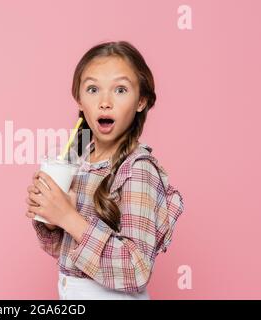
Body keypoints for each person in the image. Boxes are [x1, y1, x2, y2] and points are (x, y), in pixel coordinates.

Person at [25, 41, 185, 300]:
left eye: (120, 90)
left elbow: (137, 271)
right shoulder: (78, 158)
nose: (105, 102)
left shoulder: (138, 170)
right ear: (78, 98)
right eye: (92, 89)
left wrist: (69, 217)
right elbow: (64, 253)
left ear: (141, 101)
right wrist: (52, 219)